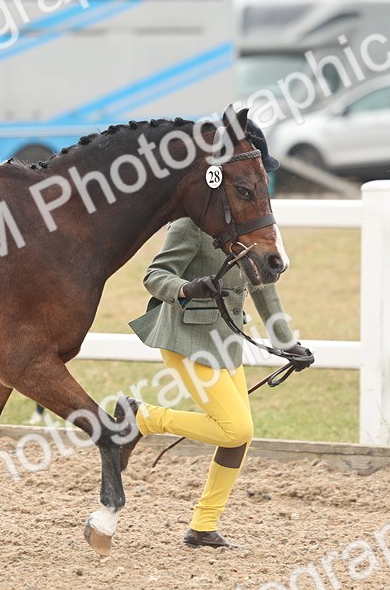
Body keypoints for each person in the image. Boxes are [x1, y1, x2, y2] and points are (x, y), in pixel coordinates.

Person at [125, 121, 312, 549]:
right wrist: (187, 288)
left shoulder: (249, 228)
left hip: (226, 340)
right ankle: (142, 418)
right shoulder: (192, 225)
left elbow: (263, 288)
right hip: (186, 337)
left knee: (239, 437)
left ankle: (203, 526)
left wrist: (286, 344)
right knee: (234, 429)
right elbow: (155, 276)